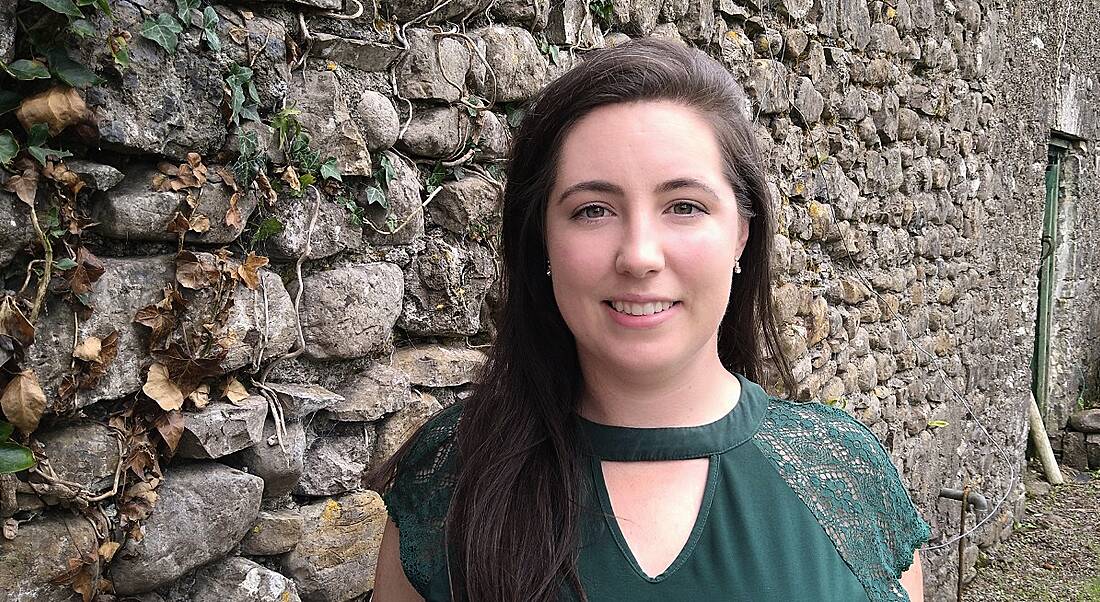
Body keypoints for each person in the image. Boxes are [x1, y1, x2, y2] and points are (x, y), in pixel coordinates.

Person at [369, 37, 931, 601]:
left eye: (683, 206)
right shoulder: (450, 481)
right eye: (593, 210)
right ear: (542, 239)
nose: (639, 255)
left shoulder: (848, 480)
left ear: (741, 234)